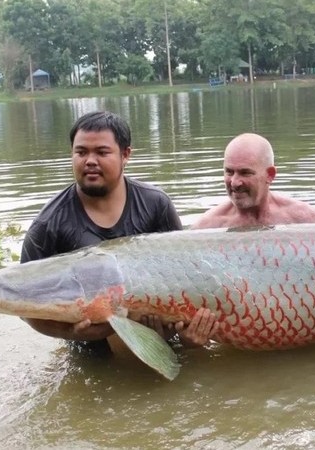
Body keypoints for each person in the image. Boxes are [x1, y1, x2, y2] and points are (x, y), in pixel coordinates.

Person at [20, 110, 217, 353]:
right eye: (81, 152)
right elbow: (24, 305)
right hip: (91, 350)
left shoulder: (156, 204)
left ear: (126, 155)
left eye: (102, 152)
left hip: (161, 337)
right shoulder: (47, 225)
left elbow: (186, 275)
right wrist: (69, 333)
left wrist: (187, 335)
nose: (90, 161)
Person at [192, 133, 315, 229]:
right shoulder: (208, 227)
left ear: (270, 175)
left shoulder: (303, 220)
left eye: (245, 173)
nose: (234, 182)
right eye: (229, 172)